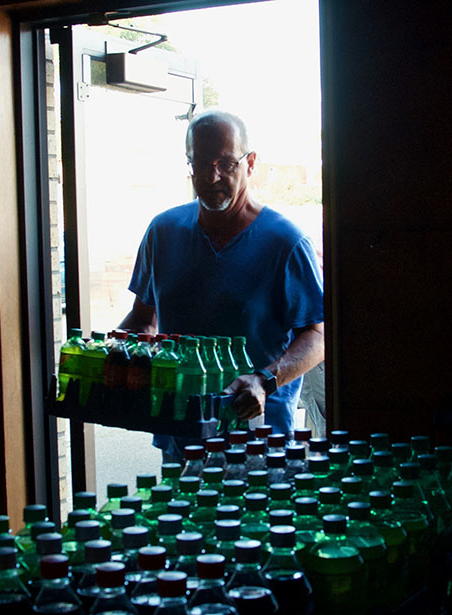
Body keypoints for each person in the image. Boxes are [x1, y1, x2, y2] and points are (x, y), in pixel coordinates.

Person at [118, 110, 324, 461]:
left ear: (251, 162)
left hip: (259, 442)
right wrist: (110, 358)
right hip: (181, 434)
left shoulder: (285, 243)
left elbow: (318, 336)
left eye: (226, 163)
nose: (212, 177)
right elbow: (144, 318)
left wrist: (265, 380)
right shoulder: (163, 232)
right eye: (200, 163)